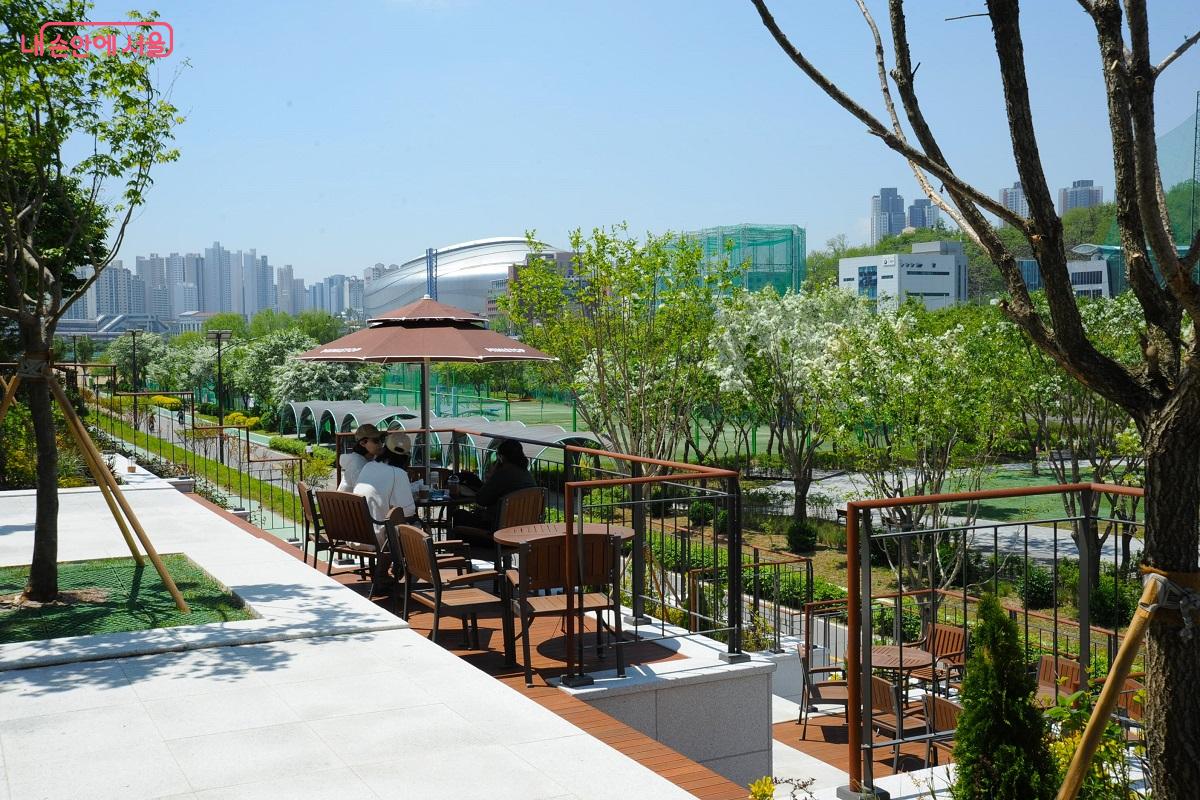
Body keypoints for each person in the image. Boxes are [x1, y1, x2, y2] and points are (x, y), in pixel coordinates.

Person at [453, 438, 536, 531]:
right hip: (523, 530)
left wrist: (493, 474)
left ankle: (456, 541)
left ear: (502, 457)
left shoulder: (503, 473)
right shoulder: (527, 474)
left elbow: (481, 500)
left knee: (459, 514)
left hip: (499, 530)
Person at [353, 432, 417, 550]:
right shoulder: (399, 473)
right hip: (377, 538)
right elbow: (408, 511)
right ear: (406, 457)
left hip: (355, 536)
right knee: (417, 527)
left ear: (384, 450)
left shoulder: (368, 466)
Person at [337, 423, 383, 492]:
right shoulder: (357, 464)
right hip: (352, 498)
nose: (381, 444)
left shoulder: (365, 460)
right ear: (363, 443)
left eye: (382, 439)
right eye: (376, 440)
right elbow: (366, 492)